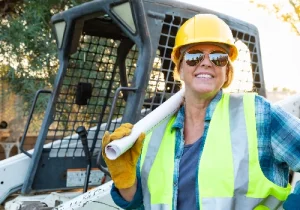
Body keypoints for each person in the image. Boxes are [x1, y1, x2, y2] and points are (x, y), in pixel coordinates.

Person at [101, 14, 300, 210]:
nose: (206, 62)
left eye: (218, 57)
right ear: (179, 67)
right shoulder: (153, 132)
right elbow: (143, 204)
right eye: (194, 56)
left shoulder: (257, 114)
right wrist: (125, 183)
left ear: (227, 71)